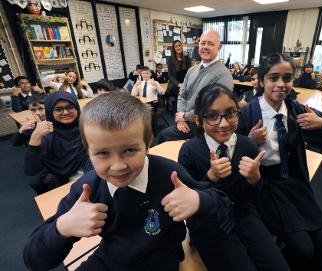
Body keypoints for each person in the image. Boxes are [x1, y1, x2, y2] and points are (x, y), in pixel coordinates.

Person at [23, 92, 231, 271]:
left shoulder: (170, 174)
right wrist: (63, 227)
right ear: (88, 151)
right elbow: (34, 259)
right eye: (103, 153)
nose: (118, 166)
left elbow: (222, 207)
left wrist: (198, 200)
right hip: (113, 261)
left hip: (162, 261)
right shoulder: (87, 190)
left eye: (130, 150)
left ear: (148, 142)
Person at [237, 53, 322, 271]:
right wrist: (249, 142)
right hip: (264, 186)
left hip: (293, 183)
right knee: (302, 249)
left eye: (287, 78)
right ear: (262, 80)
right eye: (273, 78)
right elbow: (229, 153)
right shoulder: (247, 113)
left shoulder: (296, 109)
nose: (281, 84)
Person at [179, 85, 290, 271]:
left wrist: (255, 179)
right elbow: (188, 200)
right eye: (213, 116)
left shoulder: (248, 145)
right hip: (209, 222)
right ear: (198, 119)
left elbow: (251, 198)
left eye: (230, 113)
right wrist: (210, 177)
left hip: (242, 214)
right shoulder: (189, 151)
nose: (223, 124)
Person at [157, 30, 234, 143]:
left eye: (210, 44)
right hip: (186, 120)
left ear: (219, 47)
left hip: (205, 127)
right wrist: (180, 118)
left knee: (164, 136)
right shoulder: (191, 70)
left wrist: (184, 117)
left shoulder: (223, 74)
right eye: (203, 43)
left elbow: (212, 109)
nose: (205, 47)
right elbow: (183, 94)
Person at [24, 91, 93, 190]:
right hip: (66, 183)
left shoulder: (87, 126)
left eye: (70, 107)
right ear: (50, 111)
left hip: (94, 174)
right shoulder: (47, 134)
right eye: (58, 109)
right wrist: (35, 136)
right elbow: (31, 170)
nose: (65, 112)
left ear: (77, 108)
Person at [131, 66, 166, 136]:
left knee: (152, 120)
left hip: (152, 104)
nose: (145, 75)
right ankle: (146, 133)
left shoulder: (155, 82)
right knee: (143, 120)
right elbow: (133, 94)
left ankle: (155, 134)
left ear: (150, 74)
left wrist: (156, 85)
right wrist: (136, 85)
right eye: (143, 73)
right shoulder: (139, 83)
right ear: (141, 74)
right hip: (142, 104)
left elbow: (162, 93)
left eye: (147, 73)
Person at [166, 40, 191, 113]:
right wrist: (178, 84)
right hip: (175, 85)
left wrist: (185, 84)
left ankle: (185, 115)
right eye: (176, 46)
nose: (178, 47)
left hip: (185, 84)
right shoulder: (170, 59)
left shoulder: (187, 58)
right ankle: (177, 116)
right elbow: (170, 76)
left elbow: (189, 73)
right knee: (179, 101)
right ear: (173, 48)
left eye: (179, 45)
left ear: (182, 46)